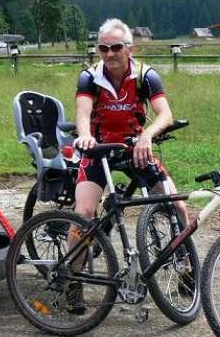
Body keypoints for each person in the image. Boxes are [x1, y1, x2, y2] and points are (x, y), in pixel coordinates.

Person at [70, 18, 187, 313]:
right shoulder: (90, 77)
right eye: (103, 48)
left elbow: (165, 114)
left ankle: (185, 268)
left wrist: (147, 135)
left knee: (179, 206)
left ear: (130, 48)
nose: (109, 54)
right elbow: (83, 113)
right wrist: (84, 136)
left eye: (116, 47)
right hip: (98, 150)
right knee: (83, 213)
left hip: (136, 148)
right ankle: (72, 280)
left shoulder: (146, 75)